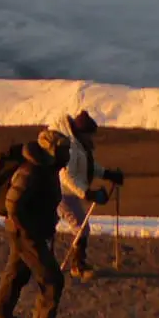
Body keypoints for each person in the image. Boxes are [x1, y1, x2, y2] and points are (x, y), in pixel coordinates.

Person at [0, 128, 72, 318]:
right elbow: (13, 204)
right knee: (52, 278)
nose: (67, 155)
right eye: (63, 150)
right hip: (26, 232)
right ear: (52, 150)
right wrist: (28, 232)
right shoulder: (32, 170)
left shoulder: (46, 168)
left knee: (18, 271)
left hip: (28, 230)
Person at [48, 110, 124, 280]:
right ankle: (77, 267)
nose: (92, 138)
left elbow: (88, 167)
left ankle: (57, 263)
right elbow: (66, 176)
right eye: (90, 135)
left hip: (68, 194)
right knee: (80, 227)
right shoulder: (72, 148)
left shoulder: (78, 146)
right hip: (62, 194)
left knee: (63, 227)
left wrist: (107, 174)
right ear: (83, 132)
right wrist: (88, 193)